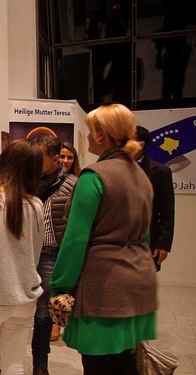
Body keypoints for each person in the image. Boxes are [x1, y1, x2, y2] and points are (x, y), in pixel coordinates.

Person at [50, 104, 157, 375]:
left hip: (103, 285)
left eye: (89, 130)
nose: (87, 136)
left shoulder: (94, 177)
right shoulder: (141, 176)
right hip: (137, 280)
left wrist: (60, 285)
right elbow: (145, 233)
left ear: (101, 135)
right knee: (125, 363)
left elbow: (75, 240)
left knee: (98, 365)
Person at [0, 136, 77, 375]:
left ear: (3, 164)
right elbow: (33, 257)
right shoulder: (36, 206)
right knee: (15, 365)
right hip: (23, 300)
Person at [134, 125, 175, 270]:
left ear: (141, 144)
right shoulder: (114, 168)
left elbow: (167, 212)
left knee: (143, 283)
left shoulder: (161, 172)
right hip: (119, 240)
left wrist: (163, 244)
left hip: (148, 238)